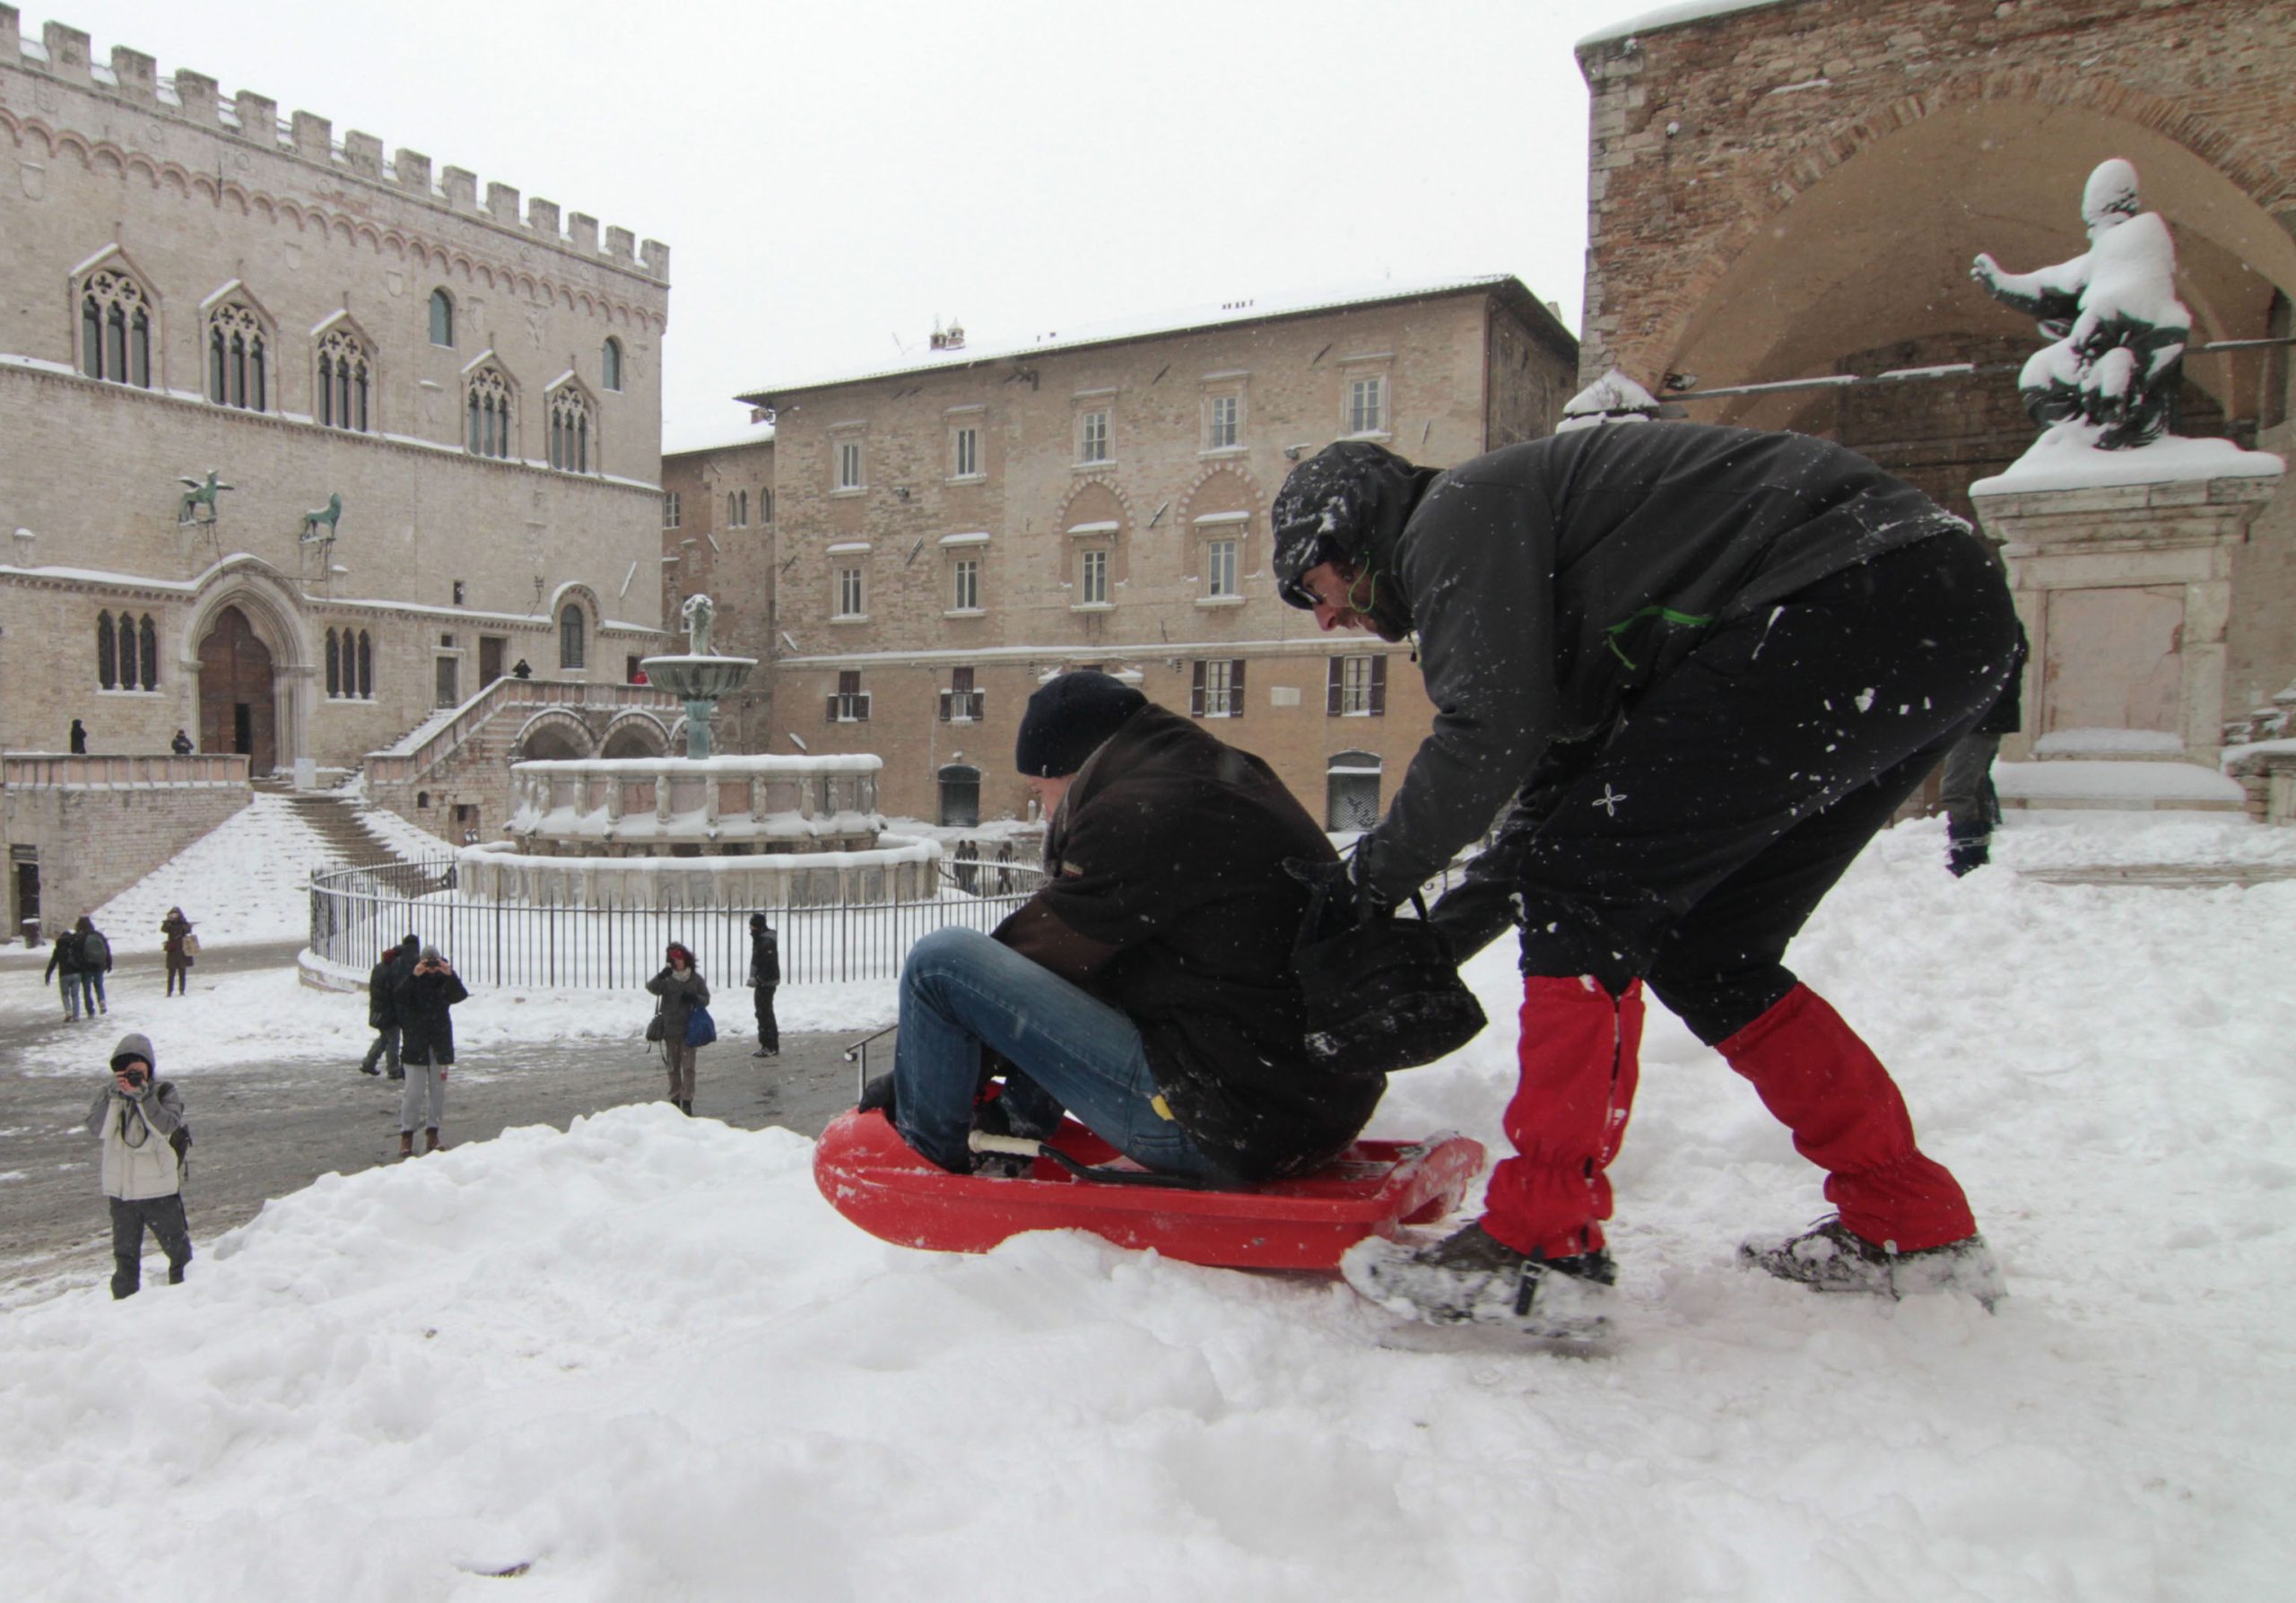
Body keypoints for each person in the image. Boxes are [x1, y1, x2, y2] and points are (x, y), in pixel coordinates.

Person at [1268, 425, 2018, 1334]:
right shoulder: (1519, 556)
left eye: (1308, 586)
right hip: (1932, 613)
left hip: (1844, 594)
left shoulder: (1451, 518)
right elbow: (1550, 791)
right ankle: (1909, 1217)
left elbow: (1486, 735)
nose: (1321, 617)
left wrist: (1365, 887)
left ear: (1345, 534)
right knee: (1712, 949)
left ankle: (1542, 1246)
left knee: (1588, 886)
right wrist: (1432, 942)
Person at [873, 672, 1384, 1185]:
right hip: (1309, 1108)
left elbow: (1039, 955)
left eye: (1039, 790)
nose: (1044, 811)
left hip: (1223, 1125)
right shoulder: (1217, 775)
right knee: (1102, 958)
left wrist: (922, 1072)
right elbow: (1076, 963)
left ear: (1068, 767)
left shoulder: (1139, 811)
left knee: (941, 964)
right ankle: (1015, 1122)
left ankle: (928, 1158)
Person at [85, 1032, 192, 1298]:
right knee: (125, 1259)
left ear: (149, 1066)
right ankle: (123, 1310)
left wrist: (144, 1097)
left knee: (179, 1253)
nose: (132, 1071)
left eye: (138, 1064)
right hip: (122, 1194)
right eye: (125, 1065)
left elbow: (167, 1126)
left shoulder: (164, 1091)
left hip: (159, 1192)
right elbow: (97, 1129)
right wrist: (114, 1098)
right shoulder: (109, 1094)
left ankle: (187, 1302)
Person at [394, 945, 466, 1156]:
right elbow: (399, 998)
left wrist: (449, 975)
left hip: (439, 1042)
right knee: (413, 1093)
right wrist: (414, 976)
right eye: (428, 962)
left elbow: (460, 995)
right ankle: (406, 1135)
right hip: (416, 1043)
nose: (432, 967)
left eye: (435, 962)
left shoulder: (445, 980)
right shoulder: (412, 979)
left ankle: (433, 1133)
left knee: (438, 1092)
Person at [647, 944, 709, 1115]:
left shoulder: (695, 979)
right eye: (673, 960)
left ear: (685, 960)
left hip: (689, 1029)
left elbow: (706, 998)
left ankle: (687, 1100)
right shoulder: (667, 978)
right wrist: (660, 976)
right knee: (673, 1067)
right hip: (671, 1029)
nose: (676, 963)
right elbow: (651, 988)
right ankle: (674, 1098)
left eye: (679, 960)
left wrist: (695, 998)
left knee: (688, 1067)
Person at [361, 934, 421, 1078]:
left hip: (379, 1010)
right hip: (389, 1011)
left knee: (385, 1038)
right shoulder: (394, 969)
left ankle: (368, 1063)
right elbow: (397, 991)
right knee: (393, 1039)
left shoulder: (380, 967)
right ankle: (393, 1070)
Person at [748, 914, 781, 1059]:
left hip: (765, 982)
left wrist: (758, 979)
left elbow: (768, 965)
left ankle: (769, 1045)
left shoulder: (765, 941)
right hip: (764, 981)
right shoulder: (761, 939)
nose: (750, 929)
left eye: (752, 926)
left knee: (764, 1013)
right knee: (764, 1012)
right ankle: (769, 1044)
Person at [44, 921, 84, 1021]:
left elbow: (52, 963)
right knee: (75, 995)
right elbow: (81, 959)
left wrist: (48, 975)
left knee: (65, 994)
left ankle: (68, 1011)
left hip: (64, 975)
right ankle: (76, 1016)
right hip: (76, 974)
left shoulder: (58, 949)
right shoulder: (74, 947)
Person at [74, 915, 111, 1017]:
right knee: (99, 985)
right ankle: (102, 1001)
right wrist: (108, 963)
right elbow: (107, 949)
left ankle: (90, 1011)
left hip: (86, 967)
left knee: (87, 989)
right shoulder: (98, 935)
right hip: (99, 965)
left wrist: (79, 964)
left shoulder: (80, 937)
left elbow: (77, 953)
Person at [160, 908, 195, 998]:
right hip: (172, 951)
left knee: (182, 972)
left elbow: (188, 930)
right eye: (172, 915)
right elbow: (163, 929)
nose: (174, 917)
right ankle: (169, 991)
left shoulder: (183, 924)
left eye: (175, 915)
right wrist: (168, 921)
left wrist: (183, 923)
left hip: (182, 951)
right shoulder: (169, 924)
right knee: (171, 973)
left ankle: (182, 990)